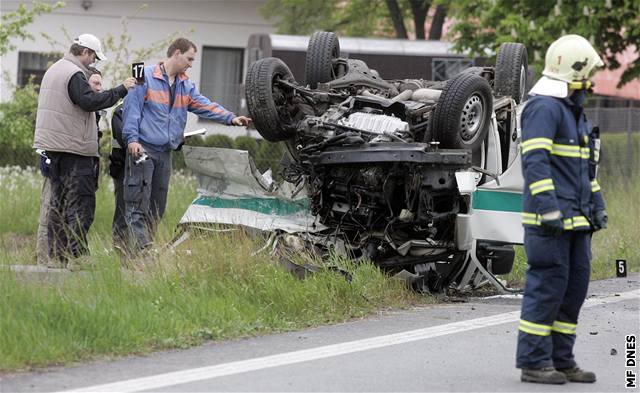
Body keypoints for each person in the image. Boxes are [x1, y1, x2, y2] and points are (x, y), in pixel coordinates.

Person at [516, 34, 608, 384]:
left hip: (577, 220)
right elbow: (535, 163)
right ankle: (534, 362)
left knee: (574, 289)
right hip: (549, 222)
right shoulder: (545, 108)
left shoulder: (574, 112)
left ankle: (561, 359)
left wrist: (596, 207)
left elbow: (584, 172)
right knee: (548, 289)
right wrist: (549, 210)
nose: (593, 80)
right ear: (574, 72)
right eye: (588, 73)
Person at [121, 37, 251, 254]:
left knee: (157, 206)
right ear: (177, 53)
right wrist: (132, 139)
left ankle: (147, 248)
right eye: (189, 58)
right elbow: (131, 111)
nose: (191, 63)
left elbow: (205, 105)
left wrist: (231, 118)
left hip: (165, 152)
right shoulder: (143, 76)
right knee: (137, 201)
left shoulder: (185, 85)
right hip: (143, 149)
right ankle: (141, 250)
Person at [33, 33, 136, 268]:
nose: (93, 64)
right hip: (74, 149)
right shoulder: (74, 73)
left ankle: (56, 257)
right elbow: (89, 102)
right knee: (82, 202)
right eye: (94, 58)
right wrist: (121, 89)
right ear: (86, 52)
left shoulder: (54, 69)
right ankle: (77, 256)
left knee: (58, 203)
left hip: (53, 147)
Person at [35, 66, 104, 266]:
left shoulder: (93, 111)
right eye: (95, 83)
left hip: (80, 167)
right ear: (84, 84)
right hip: (59, 167)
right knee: (52, 211)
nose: (99, 88)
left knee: (64, 210)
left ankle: (59, 257)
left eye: (101, 83)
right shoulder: (75, 101)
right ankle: (48, 258)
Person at [108, 104, 127, 249]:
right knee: (122, 205)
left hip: (142, 164)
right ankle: (119, 244)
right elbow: (122, 137)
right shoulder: (121, 110)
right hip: (122, 165)